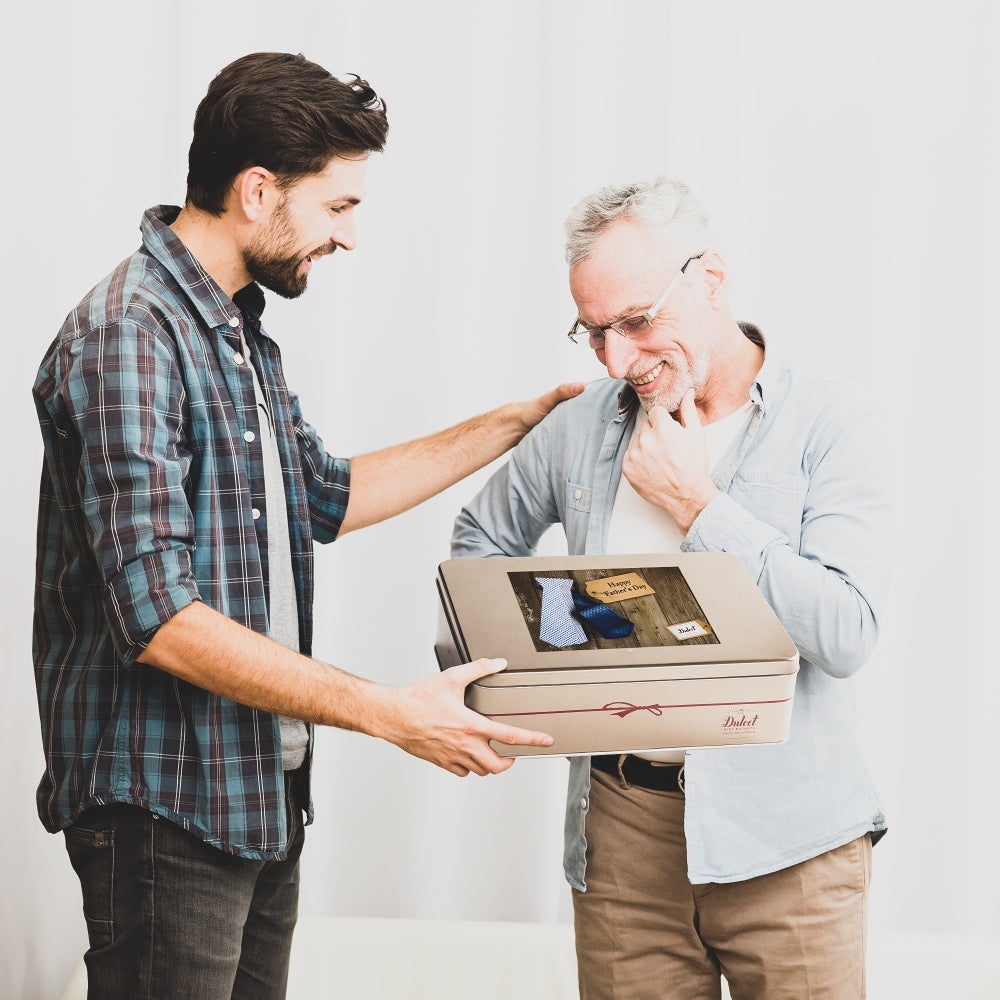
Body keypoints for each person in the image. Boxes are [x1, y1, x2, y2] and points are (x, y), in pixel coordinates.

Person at [32, 51, 581, 1000]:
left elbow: (326, 495)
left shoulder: (237, 332)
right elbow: (158, 614)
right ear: (256, 191)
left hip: (257, 794)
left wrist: (520, 420)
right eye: (339, 207)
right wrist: (392, 713)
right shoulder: (131, 333)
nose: (350, 237)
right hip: (168, 811)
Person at [451, 177, 893, 999]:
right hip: (624, 842)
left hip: (791, 849)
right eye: (593, 333)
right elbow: (480, 542)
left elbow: (848, 631)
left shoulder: (834, 422)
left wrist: (701, 507)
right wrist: (578, 625)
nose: (618, 360)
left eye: (636, 321)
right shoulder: (583, 423)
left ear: (711, 281)